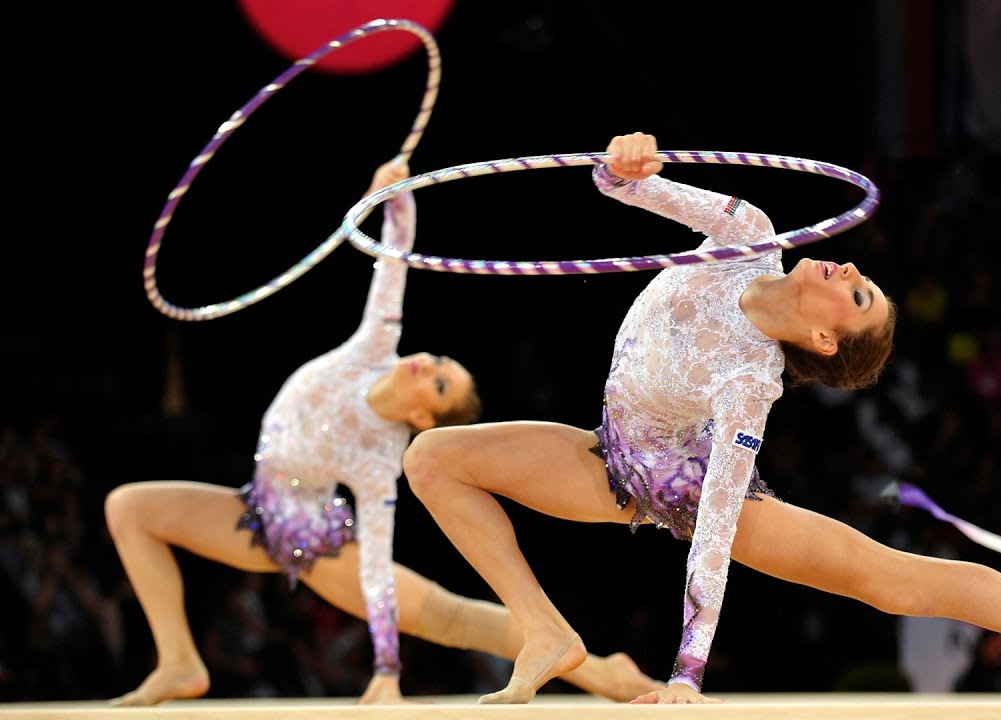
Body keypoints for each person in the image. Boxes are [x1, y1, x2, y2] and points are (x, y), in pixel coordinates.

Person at [400, 132, 1001, 704]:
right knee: (432, 459)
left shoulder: (749, 379)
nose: (850, 267)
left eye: (857, 295)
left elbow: (716, 525)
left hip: (687, 487)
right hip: (608, 460)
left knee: (894, 581)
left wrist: (687, 673)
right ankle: (544, 632)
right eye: (863, 278)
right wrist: (624, 164)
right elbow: (624, 188)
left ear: (823, 339)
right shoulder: (749, 233)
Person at [105, 158, 662, 706]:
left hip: (316, 542)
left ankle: (606, 674)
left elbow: (375, 562)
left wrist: (388, 671)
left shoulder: (376, 456)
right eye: (439, 361)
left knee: (454, 618)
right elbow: (393, 261)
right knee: (130, 507)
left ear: (423, 420)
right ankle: (178, 660)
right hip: (255, 513)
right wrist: (392, 198)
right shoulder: (372, 348)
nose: (428, 366)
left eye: (439, 385)